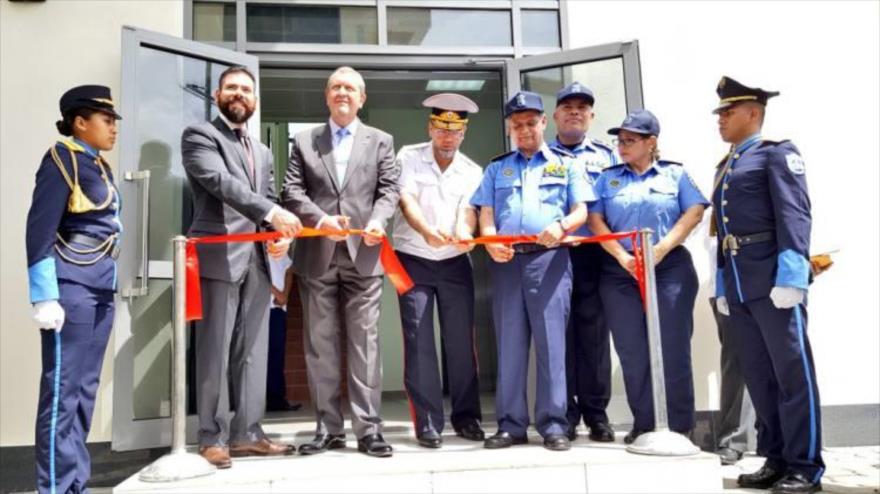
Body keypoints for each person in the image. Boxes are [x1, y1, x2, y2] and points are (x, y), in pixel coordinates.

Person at [182, 66, 302, 469]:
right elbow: (219, 182)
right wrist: (272, 211)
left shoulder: (263, 151)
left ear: (254, 101)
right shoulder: (200, 136)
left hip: (257, 260)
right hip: (219, 255)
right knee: (214, 348)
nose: (239, 94)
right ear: (217, 95)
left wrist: (278, 232)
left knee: (253, 350)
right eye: (231, 88)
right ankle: (211, 436)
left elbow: (267, 197)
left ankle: (248, 433)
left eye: (246, 90)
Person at [711, 76, 823, 494]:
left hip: (774, 282)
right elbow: (722, 231)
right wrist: (724, 284)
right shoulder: (728, 164)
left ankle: (805, 466)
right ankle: (775, 458)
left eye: (728, 111)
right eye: (719, 112)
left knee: (793, 376)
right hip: (741, 286)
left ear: (753, 112)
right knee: (760, 379)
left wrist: (793, 274)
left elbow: (795, 215)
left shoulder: (775, 155)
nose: (720, 119)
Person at [282, 66, 400, 458]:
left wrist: (379, 221)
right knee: (320, 346)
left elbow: (389, 190)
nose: (342, 93)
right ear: (327, 96)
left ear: (362, 97)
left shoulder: (381, 140)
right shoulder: (303, 140)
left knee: (365, 344)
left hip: (364, 256)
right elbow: (291, 191)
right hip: (318, 257)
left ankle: (369, 431)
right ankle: (328, 429)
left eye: (350, 88)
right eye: (335, 87)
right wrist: (320, 220)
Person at [470, 90, 592, 452]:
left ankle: (554, 424)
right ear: (510, 128)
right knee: (510, 344)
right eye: (517, 125)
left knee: (553, 345)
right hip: (507, 262)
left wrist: (563, 226)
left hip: (550, 259)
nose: (524, 130)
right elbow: (485, 211)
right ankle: (510, 425)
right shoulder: (497, 168)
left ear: (543, 122)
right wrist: (489, 239)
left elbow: (581, 210)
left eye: (530, 123)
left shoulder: (566, 164)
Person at [588, 109, 708, 444]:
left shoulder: (674, 174)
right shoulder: (608, 177)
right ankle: (645, 424)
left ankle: (680, 426)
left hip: (668, 267)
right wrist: (622, 256)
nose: (622, 146)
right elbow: (596, 220)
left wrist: (663, 248)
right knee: (632, 349)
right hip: (619, 269)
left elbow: (695, 211)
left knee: (672, 346)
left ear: (650, 142)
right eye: (620, 140)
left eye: (630, 141)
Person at [26, 85, 122, 494]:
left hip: (101, 286)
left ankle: (74, 484)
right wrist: (44, 294)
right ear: (80, 122)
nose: (114, 128)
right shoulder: (61, 159)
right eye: (107, 120)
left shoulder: (98, 164)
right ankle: (56, 488)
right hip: (72, 287)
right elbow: (40, 228)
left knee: (84, 392)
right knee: (63, 393)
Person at [391, 93, 485, 448]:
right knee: (418, 341)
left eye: (455, 130)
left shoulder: (472, 170)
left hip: (455, 260)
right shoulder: (408, 157)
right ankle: (428, 422)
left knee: (461, 342)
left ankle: (467, 417)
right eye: (441, 128)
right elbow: (407, 200)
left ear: (463, 133)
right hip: (413, 256)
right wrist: (426, 231)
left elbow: (469, 210)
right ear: (431, 127)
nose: (448, 136)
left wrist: (465, 231)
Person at [548, 82, 617, 443]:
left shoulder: (608, 157)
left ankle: (596, 413)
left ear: (591, 116)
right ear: (555, 116)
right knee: (558, 333)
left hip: (592, 254)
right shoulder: (541, 156)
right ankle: (565, 412)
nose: (575, 111)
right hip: (552, 253)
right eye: (567, 107)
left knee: (592, 335)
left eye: (582, 107)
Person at [266, 254, 302, 413]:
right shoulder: (255, 246)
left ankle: (276, 400)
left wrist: (284, 295)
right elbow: (257, 273)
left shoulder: (279, 245)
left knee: (276, 356)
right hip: (257, 308)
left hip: (277, 310)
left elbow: (289, 268)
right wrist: (275, 292)